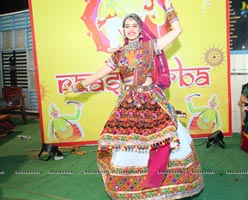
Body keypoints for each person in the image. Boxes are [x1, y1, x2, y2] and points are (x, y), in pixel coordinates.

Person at [64, 1, 204, 199]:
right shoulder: (119, 54)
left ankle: (159, 181)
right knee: (129, 144)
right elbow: (98, 75)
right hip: (128, 103)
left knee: (163, 140)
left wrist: (169, 7)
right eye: (127, 26)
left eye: (134, 25)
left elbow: (177, 30)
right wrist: (77, 86)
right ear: (123, 31)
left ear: (140, 30)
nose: (131, 29)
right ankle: (132, 186)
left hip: (151, 99)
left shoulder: (151, 47)